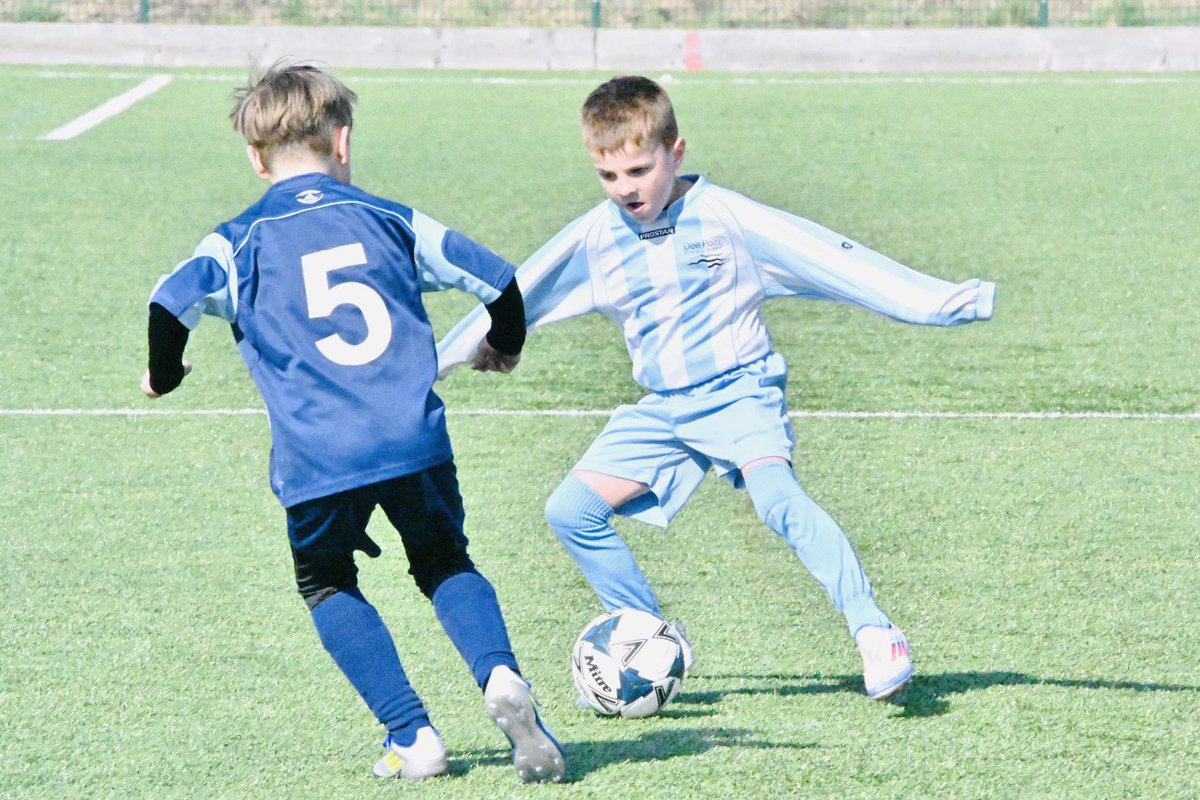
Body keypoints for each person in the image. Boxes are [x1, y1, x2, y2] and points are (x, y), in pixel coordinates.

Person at [438, 75, 997, 703]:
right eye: (609, 176)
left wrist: (940, 303)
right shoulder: (598, 236)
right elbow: (521, 292)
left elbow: (833, 260)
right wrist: (443, 362)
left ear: (675, 154)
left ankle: (875, 630)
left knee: (777, 501)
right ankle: (651, 636)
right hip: (666, 410)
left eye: (639, 171)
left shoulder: (729, 218)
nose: (626, 189)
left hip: (740, 393)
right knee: (572, 511)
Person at [140, 62, 565, 782]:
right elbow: (501, 280)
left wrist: (167, 371)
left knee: (327, 580)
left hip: (317, 456)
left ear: (254, 158)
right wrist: (505, 346)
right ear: (342, 141)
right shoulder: (390, 218)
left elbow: (167, 303)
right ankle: (499, 678)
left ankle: (413, 736)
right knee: (443, 562)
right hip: (413, 439)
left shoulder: (236, 241)